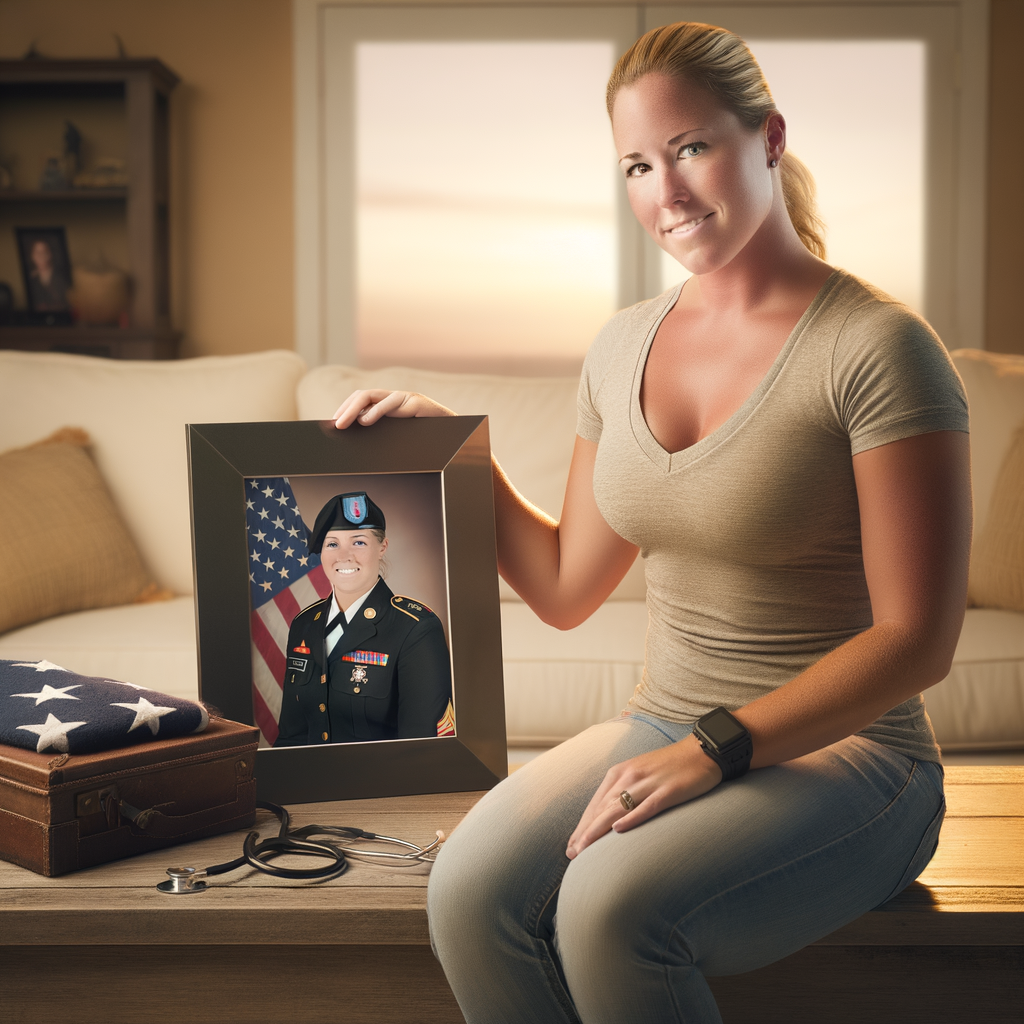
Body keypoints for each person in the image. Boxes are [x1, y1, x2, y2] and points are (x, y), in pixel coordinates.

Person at [331, 21, 971, 1024]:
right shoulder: (621, 343)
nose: (664, 194)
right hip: (668, 723)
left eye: (691, 148)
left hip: (859, 761)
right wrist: (458, 455)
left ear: (766, 137)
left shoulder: (877, 348)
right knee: (464, 890)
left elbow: (916, 641)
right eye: (637, 163)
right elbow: (564, 586)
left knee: (606, 909)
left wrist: (713, 748)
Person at [273, 491, 452, 746]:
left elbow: (423, 751)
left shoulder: (416, 629)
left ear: (382, 548)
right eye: (332, 544)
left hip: (383, 784)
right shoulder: (304, 624)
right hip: (308, 782)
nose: (344, 556)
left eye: (358, 542)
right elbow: (290, 737)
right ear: (321, 552)